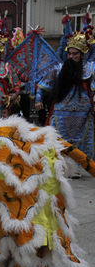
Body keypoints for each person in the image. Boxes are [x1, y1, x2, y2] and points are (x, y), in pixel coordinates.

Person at [36, 31, 95, 178]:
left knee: (81, 141)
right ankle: (58, 166)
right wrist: (38, 100)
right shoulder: (59, 69)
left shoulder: (90, 69)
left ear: (82, 54)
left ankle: (78, 167)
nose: (71, 57)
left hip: (83, 113)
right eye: (69, 53)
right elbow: (42, 86)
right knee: (59, 140)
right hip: (61, 112)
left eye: (75, 54)